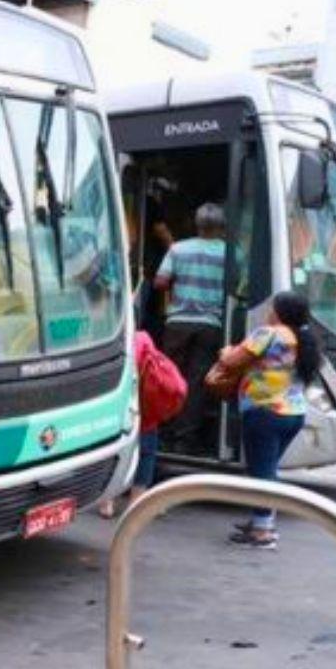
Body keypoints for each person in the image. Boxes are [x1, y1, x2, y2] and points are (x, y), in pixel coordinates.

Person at [221, 290, 322, 548]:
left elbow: (232, 362)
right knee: (265, 469)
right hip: (293, 414)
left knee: (262, 472)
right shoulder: (305, 338)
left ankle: (263, 533)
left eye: (272, 306)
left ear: (279, 312)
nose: (269, 310)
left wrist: (226, 351)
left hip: (265, 412)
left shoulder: (268, 333)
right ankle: (260, 520)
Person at [154, 202, 227, 452]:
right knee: (196, 383)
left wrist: (180, 284)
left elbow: (160, 282)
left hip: (178, 323)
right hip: (211, 325)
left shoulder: (178, 249)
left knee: (169, 378)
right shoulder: (229, 253)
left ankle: (163, 431)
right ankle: (184, 440)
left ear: (197, 224)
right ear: (221, 226)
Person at [99, 323, 186, 518]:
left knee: (114, 451)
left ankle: (107, 502)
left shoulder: (110, 341)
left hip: (121, 408)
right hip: (147, 407)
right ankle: (136, 503)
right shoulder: (144, 338)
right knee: (146, 454)